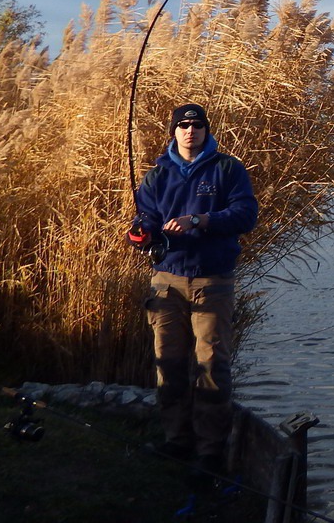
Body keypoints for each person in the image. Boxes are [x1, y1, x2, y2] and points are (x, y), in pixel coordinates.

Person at [129, 102, 259, 478]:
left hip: (212, 281)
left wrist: (200, 220)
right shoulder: (157, 175)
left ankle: (209, 451)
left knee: (211, 367)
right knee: (168, 364)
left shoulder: (227, 169)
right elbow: (147, 219)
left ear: (206, 130)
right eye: (183, 125)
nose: (190, 131)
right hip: (166, 281)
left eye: (197, 125)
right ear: (174, 131)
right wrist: (140, 233)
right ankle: (177, 440)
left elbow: (245, 214)